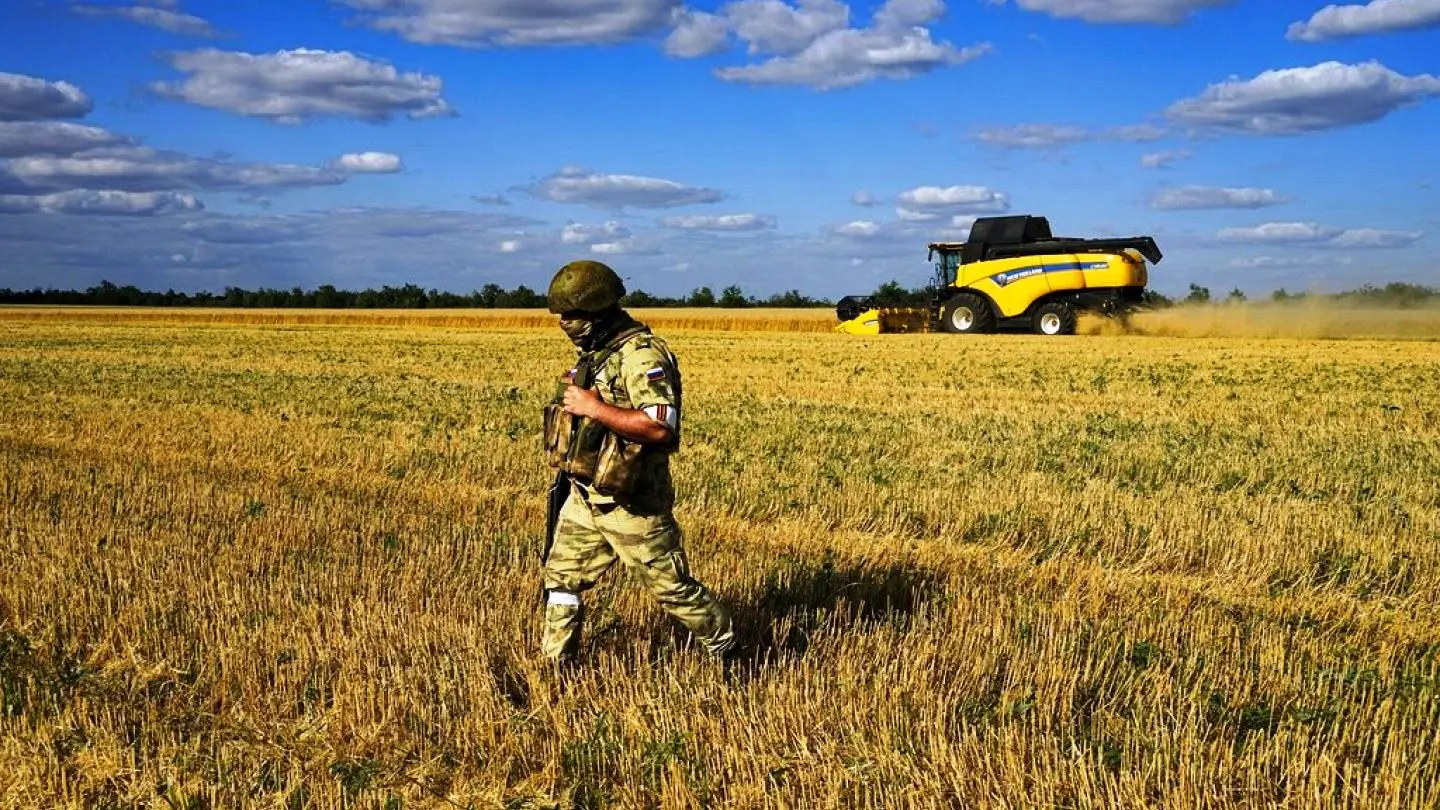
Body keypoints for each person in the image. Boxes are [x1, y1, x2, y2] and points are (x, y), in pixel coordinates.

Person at [539, 259, 735, 665]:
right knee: (560, 579)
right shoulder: (596, 354)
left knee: (672, 589)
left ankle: (730, 650)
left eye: (572, 315)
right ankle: (554, 665)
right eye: (561, 315)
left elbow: (660, 428)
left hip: (633, 501)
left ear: (598, 310)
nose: (564, 323)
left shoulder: (642, 356)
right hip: (586, 494)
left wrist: (594, 408)